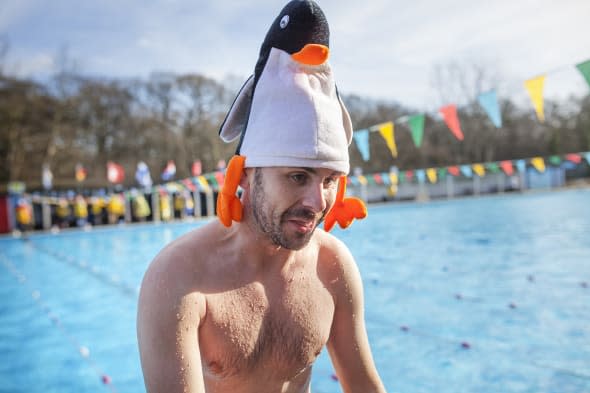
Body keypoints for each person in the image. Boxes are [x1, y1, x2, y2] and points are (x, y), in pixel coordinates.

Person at [137, 1, 386, 392]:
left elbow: (364, 386)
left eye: (329, 180)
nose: (317, 203)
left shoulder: (332, 266)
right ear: (248, 174)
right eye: (298, 176)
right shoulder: (180, 277)